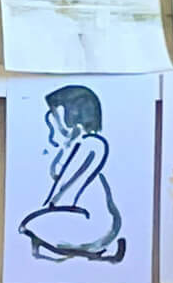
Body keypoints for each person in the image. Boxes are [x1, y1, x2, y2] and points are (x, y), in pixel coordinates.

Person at [17, 82, 126, 264]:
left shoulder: (92, 143)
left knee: (29, 225)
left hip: (93, 221)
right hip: (84, 214)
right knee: (32, 223)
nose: (51, 124)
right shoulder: (80, 145)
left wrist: (49, 208)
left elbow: (65, 191)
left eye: (54, 117)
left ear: (74, 115)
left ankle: (78, 251)